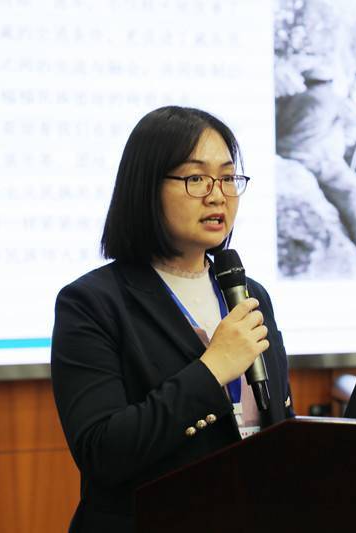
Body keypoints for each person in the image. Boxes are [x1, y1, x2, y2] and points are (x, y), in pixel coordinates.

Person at [50, 106, 295, 532]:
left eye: (228, 177)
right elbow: (101, 451)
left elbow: (278, 424)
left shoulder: (250, 294)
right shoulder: (91, 303)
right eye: (196, 178)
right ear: (146, 187)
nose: (217, 195)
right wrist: (212, 369)